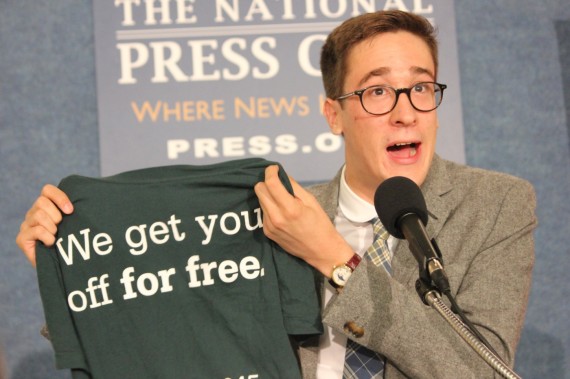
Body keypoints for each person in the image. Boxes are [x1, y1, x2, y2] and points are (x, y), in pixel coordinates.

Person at [17, 10, 536, 379]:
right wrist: (72, 270)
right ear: (333, 114)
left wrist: (334, 259)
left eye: (421, 87)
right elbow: (177, 326)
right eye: (377, 91)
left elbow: (481, 372)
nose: (406, 111)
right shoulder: (274, 212)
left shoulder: (495, 206)